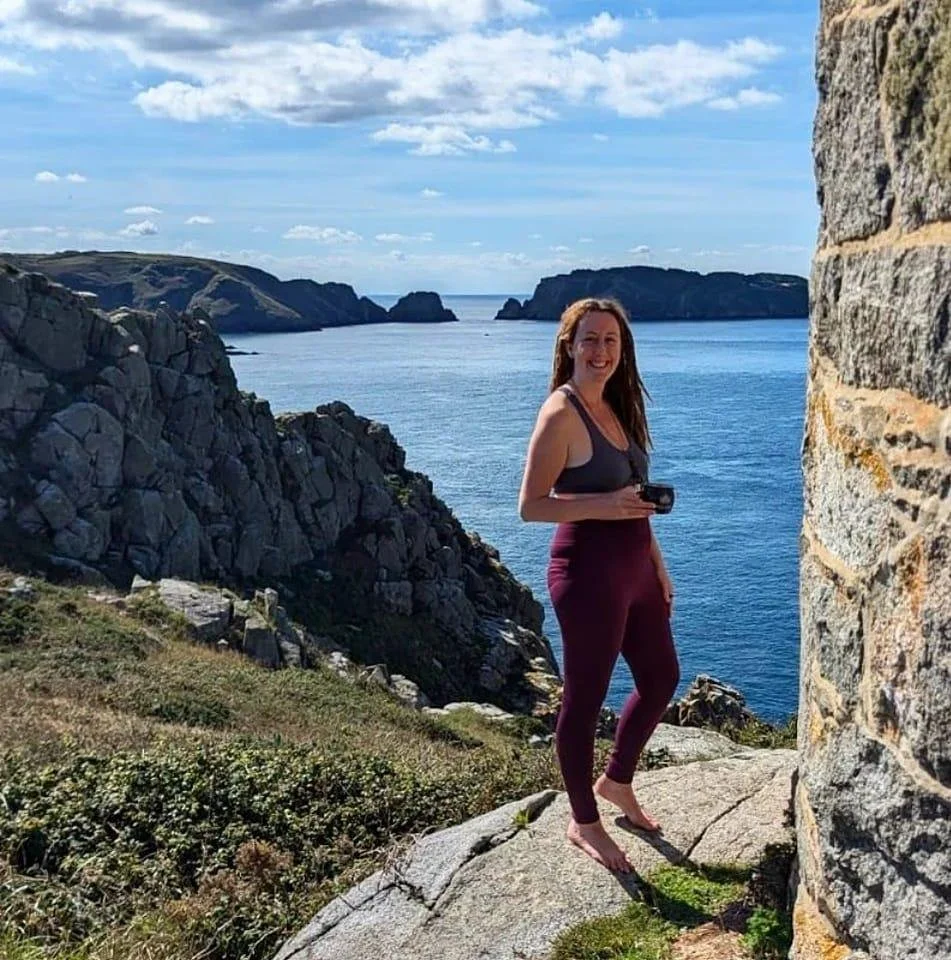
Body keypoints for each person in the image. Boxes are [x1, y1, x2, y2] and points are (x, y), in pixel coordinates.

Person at [518, 297, 680, 873]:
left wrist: (656, 565)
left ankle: (616, 782)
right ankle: (583, 820)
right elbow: (531, 507)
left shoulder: (622, 404)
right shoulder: (560, 414)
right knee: (585, 700)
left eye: (611, 340)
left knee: (662, 677)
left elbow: (634, 499)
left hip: (635, 567)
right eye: (590, 339)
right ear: (568, 345)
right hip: (586, 573)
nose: (601, 351)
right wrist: (603, 504)